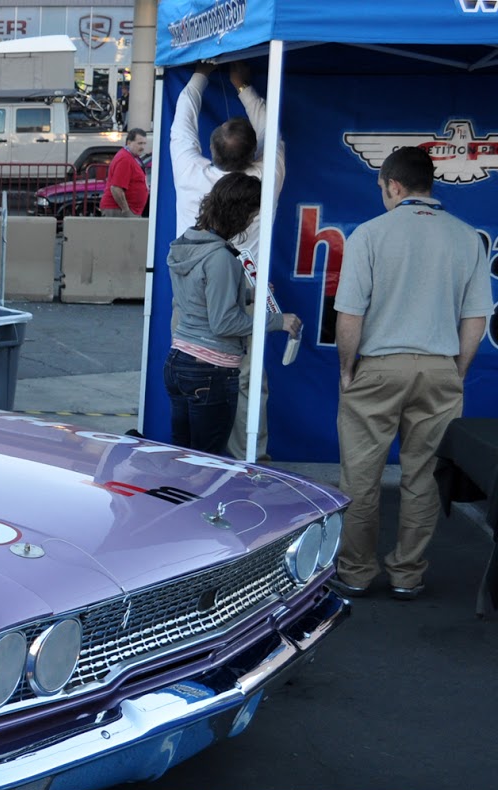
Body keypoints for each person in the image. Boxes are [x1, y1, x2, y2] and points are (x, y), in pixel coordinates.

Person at [330, 147, 493, 601]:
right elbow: (475, 320)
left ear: (394, 186)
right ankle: (407, 575)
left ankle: (357, 572)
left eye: (382, 188)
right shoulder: (467, 239)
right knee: (423, 478)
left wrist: (348, 370)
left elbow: (349, 315)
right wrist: (455, 370)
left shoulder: (369, 234)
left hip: (378, 370)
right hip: (440, 369)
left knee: (360, 478)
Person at [171, 60, 286, 461]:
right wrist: (244, 87)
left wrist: (200, 74)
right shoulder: (265, 177)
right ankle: (248, 463)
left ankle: (193, 465)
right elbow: (273, 135)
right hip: (245, 293)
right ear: (252, 154)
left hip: (190, 292)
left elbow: (181, 120)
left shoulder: (187, 169)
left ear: (212, 150)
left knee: (191, 373)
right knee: (248, 382)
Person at [164, 173, 300, 455]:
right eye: (252, 213)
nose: (252, 221)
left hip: (180, 363)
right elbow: (224, 322)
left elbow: (200, 296)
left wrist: (245, 292)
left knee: (182, 457)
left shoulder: (186, 243)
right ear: (240, 212)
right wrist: (278, 321)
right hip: (210, 372)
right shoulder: (220, 257)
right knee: (207, 462)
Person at [99, 128, 149, 218]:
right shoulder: (125, 159)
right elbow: (116, 188)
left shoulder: (133, 158)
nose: (142, 147)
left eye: (144, 143)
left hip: (127, 210)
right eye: (139, 143)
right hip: (118, 210)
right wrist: (126, 211)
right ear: (129, 143)